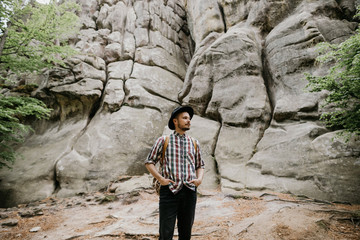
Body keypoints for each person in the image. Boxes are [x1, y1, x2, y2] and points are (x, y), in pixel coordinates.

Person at [145, 105, 205, 240]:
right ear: (175, 121)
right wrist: (161, 180)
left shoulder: (194, 143)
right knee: (166, 234)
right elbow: (149, 162)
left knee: (186, 234)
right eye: (184, 118)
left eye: (189, 118)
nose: (188, 120)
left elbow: (200, 165)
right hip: (169, 192)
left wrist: (199, 179)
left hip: (189, 191)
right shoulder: (163, 140)